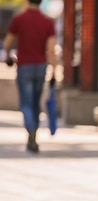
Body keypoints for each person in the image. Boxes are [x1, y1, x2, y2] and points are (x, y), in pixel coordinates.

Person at [3, 0, 57, 153]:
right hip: (41, 66)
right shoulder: (47, 22)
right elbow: (51, 49)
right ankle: (34, 134)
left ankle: (31, 131)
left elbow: (7, 43)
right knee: (35, 103)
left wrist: (8, 56)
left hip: (24, 66)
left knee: (26, 103)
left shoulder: (19, 19)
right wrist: (54, 69)